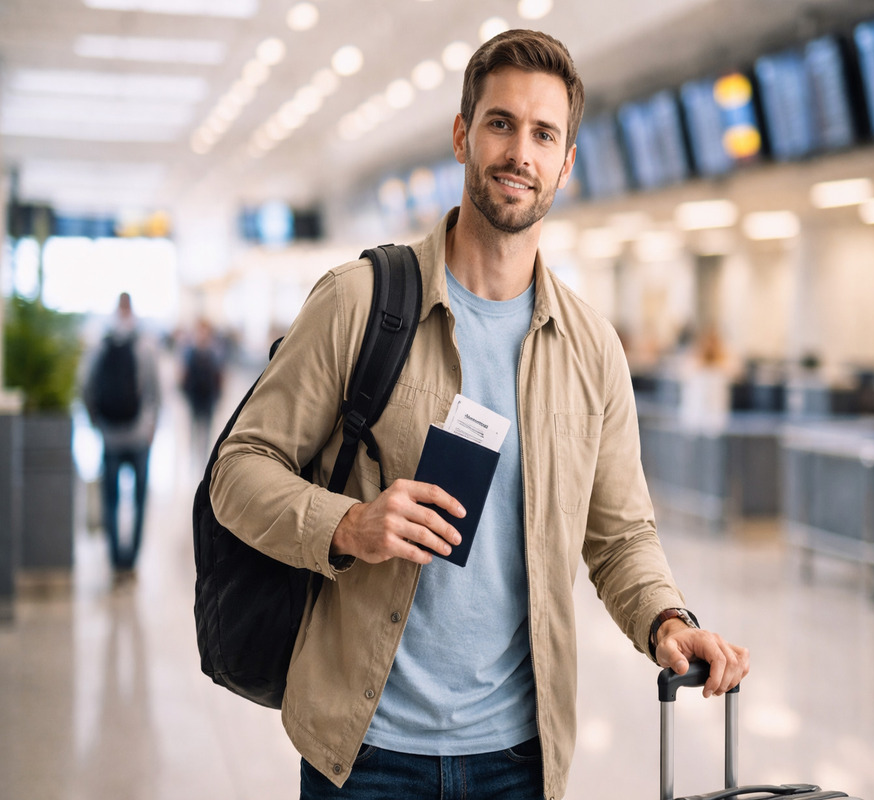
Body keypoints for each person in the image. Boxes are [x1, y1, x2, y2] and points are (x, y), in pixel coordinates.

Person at [210, 29, 749, 800]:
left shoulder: (591, 349)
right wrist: (348, 524)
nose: (518, 152)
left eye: (543, 134)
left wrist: (668, 619)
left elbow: (621, 534)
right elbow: (239, 470)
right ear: (463, 136)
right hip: (366, 756)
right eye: (500, 123)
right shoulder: (357, 303)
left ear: (566, 161)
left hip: (519, 760)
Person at [83, 292, 161, 580]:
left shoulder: (101, 345)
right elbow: (156, 391)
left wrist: (97, 423)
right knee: (139, 499)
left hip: (110, 436)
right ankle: (131, 561)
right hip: (140, 435)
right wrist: (153, 425)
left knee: (111, 500)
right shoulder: (145, 345)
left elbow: (86, 386)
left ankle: (116, 561)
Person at [180, 317, 224, 464]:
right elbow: (183, 375)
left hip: (209, 399)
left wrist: (218, 396)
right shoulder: (190, 351)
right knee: (193, 429)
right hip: (194, 398)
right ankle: (193, 457)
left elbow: (220, 376)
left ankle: (204, 459)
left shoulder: (215, 352)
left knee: (207, 431)